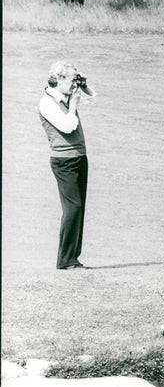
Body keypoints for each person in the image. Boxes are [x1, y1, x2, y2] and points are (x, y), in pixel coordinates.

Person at [39, 61, 95, 270]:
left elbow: (93, 96)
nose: (74, 85)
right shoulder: (47, 102)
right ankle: (65, 259)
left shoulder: (65, 95)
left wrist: (83, 85)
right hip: (63, 162)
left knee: (79, 209)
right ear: (59, 79)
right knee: (73, 207)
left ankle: (73, 258)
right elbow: (68, 126)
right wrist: (73, 105)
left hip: (79, 157)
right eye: (72, 80)